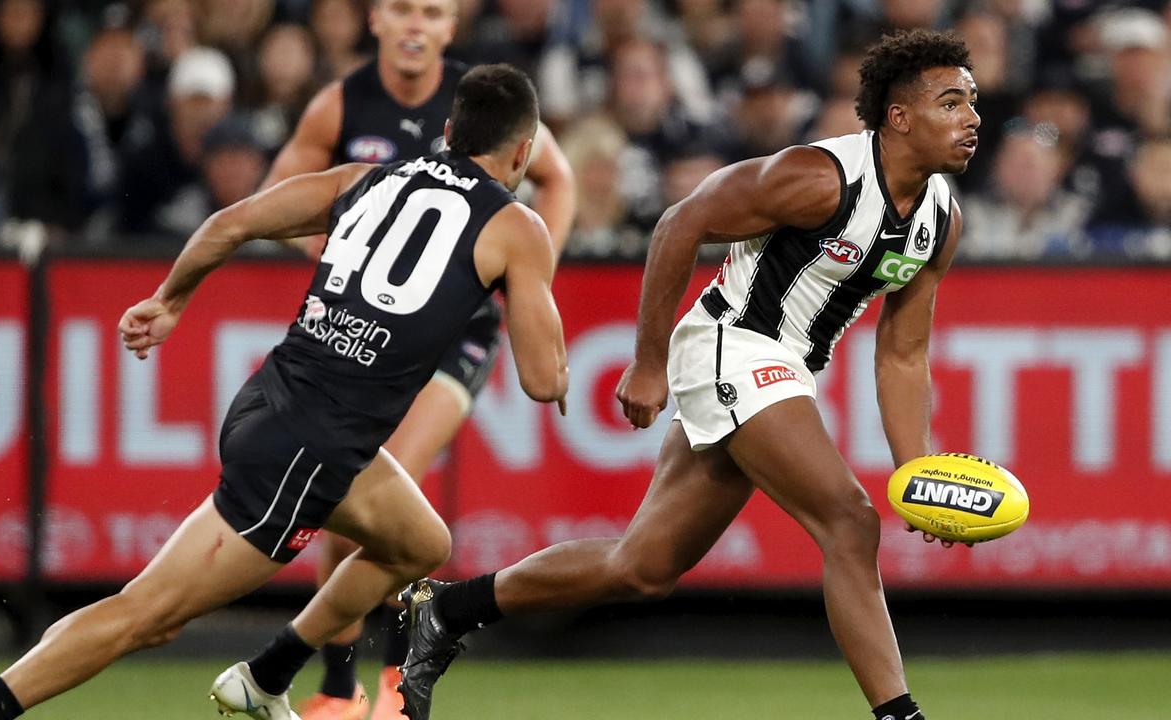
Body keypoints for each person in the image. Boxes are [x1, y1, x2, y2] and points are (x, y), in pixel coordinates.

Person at [0, 63, 568, 720]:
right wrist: (557, 358)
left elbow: (231, 223)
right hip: (307, 452)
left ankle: (267, 673)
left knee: (422, 544)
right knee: (149, 615)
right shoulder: (516, 226)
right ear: (523, 150)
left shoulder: (365, 179)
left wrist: (170, 301)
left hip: (267, 404)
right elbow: (542, 380)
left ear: (448, 130)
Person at [396, 29, 980, 720]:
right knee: (850, 523)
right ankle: (899, 714)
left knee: (643, 568)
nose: (973, 118)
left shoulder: (940, 221)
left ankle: (444, 610)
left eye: (973, 102)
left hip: (781, 367)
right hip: (733, 346)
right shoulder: (820, 177)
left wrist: (916, 476)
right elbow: (682, 221)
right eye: (951, 103)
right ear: (899, 117)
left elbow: (904, 354)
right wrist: (648, 363)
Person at [253, 1, 574, 718]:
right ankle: (343, 685)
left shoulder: (484, 100)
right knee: (350, 504)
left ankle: (391, 678)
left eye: (431, 10)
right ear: (374, 20)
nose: (414, 23)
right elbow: (277, 203)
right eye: (401, 6)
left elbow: (558, 179)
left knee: (378, 475)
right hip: (378, 334)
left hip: (457, 333)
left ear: (449, 28)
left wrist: (524, 277)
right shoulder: (340, 103)